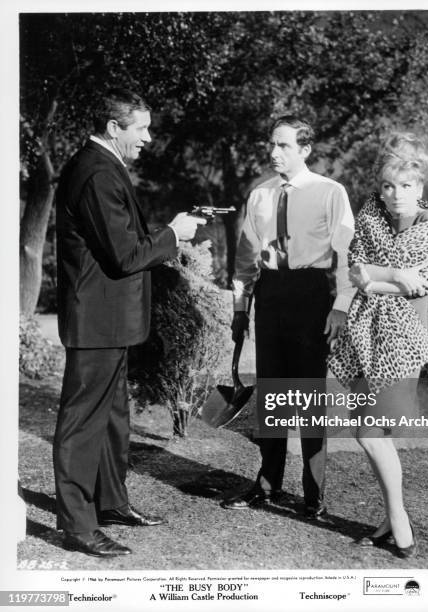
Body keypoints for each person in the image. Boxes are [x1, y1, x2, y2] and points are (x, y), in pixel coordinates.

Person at [54, 88, 205, 557]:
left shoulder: (103, 166)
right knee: (83, 422)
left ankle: (111, 502)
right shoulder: (96, 171)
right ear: (114, 128)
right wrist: (173, 235)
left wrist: (165, 232)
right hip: (97, 320)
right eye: (141, 128)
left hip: (111, 320)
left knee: (114, 417)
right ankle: (79, 526)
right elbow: (124, 257)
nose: (148, 137)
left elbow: (120, 238)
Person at [221, 116, 355, 517]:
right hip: (271, 294)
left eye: (284, 146)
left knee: (310, 397)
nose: (274, 152)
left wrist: (340, 306)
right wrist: (241, 309)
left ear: (305, 149)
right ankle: (267, 485)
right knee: (273, 393)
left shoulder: (330, 192)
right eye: (272, 144)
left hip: (311, 293)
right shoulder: (260, 195)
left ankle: (314, 496)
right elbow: (245, 258)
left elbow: (347, 255)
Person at [328, 132, 428, 558]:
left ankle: (399, 522)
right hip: (366, 335)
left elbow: (420, 287)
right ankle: (390, 517)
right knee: (370, 430)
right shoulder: (370, 214)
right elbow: (358, 271)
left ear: (421, 187)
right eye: (388, 185)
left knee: (369, 431)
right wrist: (394, 274)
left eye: (406, 186)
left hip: (404, 340)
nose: (396, 195)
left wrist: (383, 278)